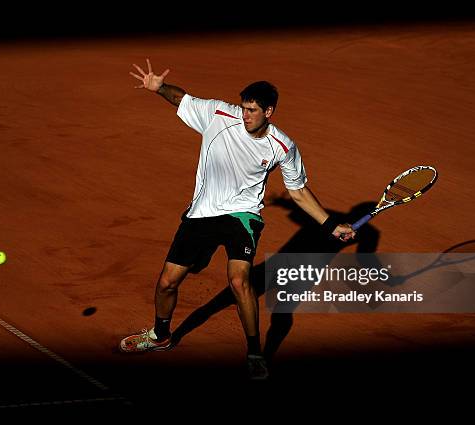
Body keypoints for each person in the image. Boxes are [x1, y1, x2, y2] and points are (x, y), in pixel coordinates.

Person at [119, 59, 356, 380]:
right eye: (244, 107)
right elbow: (181, 99)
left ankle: (255, 352)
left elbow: (298, 192)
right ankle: (161, 335)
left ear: (269, 112)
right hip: (202, 212)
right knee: (166, 283)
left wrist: (331, 225)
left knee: (239, 281)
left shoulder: (283, 147)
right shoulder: (219, 114)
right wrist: (159, 88)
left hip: (242, 216)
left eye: (252, 110)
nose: (244, 115)